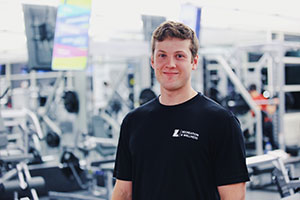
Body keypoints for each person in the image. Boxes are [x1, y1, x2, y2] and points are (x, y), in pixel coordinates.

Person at [112, 21, 249, 200]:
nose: (170, 64)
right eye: (162, 55)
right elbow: (123, 191)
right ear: (152, 61)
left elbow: (234, 197)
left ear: (194, 62)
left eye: (179, 56)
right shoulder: (133, 121)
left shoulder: (221, 122)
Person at [248, 84, 278, 149]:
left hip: (265, 123)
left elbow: (270, 110)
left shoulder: (260, 98)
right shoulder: (252, 99)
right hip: (261, 123)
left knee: (269, 141)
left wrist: (275, 104)